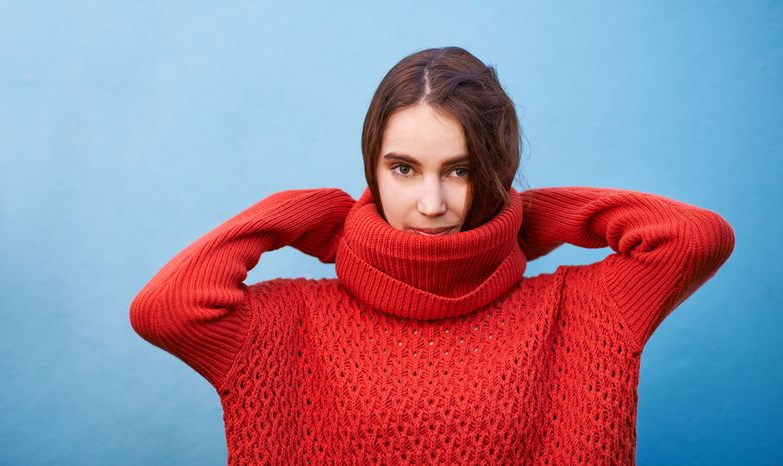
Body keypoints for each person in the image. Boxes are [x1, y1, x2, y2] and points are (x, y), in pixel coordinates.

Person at [129, 46, 735, 465]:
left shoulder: (581, 312)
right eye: (403, 168)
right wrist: (308, 218)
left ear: (496, 174)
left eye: (462, 171)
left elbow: (694, 237)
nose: (431, 202)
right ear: (373, 167)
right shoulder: (287, 323)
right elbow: (166, 309)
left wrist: (519, 219)